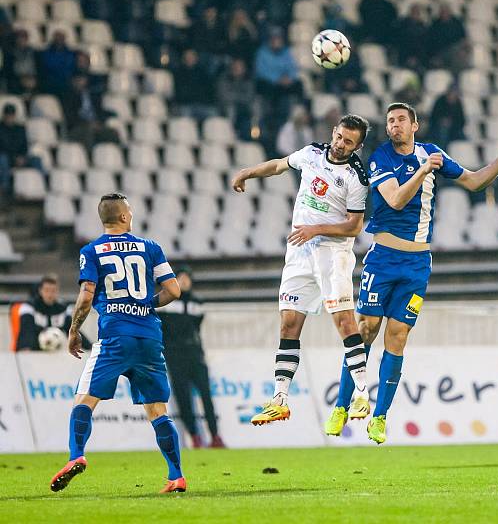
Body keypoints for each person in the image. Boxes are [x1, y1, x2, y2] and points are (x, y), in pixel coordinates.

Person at [326, 103, 498, 443]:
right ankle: (342, 406)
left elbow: (474, 181)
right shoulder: (381, 158)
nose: (394, 126)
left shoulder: (432, 153)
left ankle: (380, 417)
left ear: (415, 125)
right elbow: (395, 201)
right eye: (390, 121)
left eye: (401, 120)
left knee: (398, 337)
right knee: (366, 330)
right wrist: (422, 172)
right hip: (383, 258)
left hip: (418, 264)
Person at [230, 115, 373, 426]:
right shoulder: (310, 153)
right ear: (333, 132)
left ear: (358, 146)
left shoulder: (355, 178)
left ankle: (362, 393)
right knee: (288, 324)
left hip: (331, 253)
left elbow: (354, 226)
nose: (340, 144)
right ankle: (279, 399)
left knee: (344, 320)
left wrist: (315, 229)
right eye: (339, 137)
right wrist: (247, 173)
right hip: (299, 251)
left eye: (348, 142)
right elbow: (279, 165)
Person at [49, 193, 186, 494]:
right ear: (124, 217)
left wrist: (74, 330)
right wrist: (146, 305)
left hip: (114, 337)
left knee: (85, 399)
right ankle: (176, 475)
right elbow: (173, 291)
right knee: (158, 410)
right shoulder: (150, 247)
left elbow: (87, 295)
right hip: (149, 338)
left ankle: (76, 456)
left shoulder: (91, 250)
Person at [158, 267, 225, 449]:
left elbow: (195, 328)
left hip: (195, 355)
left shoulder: (197, 303)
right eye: (181, 278)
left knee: (206, 395)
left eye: (187, 278)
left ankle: (215, 435)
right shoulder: (166, 302)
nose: (185, 281)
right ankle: (194, 436)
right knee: (183, 397)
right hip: (174, 355)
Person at [16, 275, 88, 351]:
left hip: (55, 353)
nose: (50, 294)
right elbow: (26, 331)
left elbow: (73, 332)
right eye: (47, 290)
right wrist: (26, 349)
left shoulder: (63, 309)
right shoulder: (29, 307)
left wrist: (90, 348)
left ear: (57, 291)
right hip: (34, 352)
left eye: (53, 291)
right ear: (40, 291)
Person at [0, 103, 44, 195]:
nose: (10, 117)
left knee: (37, 160)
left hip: (21, 157)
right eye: (8, 115)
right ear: (4, 115)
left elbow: (24, 145)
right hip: (6, 158)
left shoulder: (20, 129)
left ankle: (43, 184)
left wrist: (22, 157)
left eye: (11, 115)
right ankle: (5, 187)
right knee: (3, 159)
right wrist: (14, 158)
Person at [428, 85, 466, 149]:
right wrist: (442, 121)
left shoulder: (458, 103)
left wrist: (452, 122)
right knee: (443, 133)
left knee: (464, 140)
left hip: (454, 129)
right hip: (438, 128)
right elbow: (433, 117)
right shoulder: (440, 101)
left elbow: (462, 120)